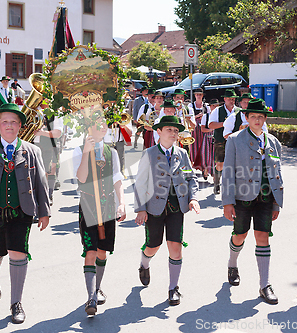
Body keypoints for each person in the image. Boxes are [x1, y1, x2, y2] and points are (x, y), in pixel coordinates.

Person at [0, 103, 50, 324]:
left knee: (18, 253)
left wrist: (44, 211)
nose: (9, 126)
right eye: (5, 122)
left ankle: (16, 302)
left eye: (14, 122)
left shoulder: (32, 151)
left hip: (22, 211)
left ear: (20, 126)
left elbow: (41, 184)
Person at [222, 98, 283, 304]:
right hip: (242, 197)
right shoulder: (235, 139)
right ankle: (232, 263)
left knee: (263, 237)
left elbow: (277, 174)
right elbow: (228, 172)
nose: (257, 120)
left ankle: (264, 285)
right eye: (253, 117)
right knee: (240, 235)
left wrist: (276, 203)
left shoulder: (273, 142)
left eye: (261, 117)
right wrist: (227, 202)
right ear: (246, 118)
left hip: (266, 197)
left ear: (265, 119)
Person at [134, 115, 200, 306]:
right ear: (159, 132)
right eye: (169, 130)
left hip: (176, 207)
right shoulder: (149, 154)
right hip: (154, 207)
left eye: (176, 130)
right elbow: (140, 183)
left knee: (176, 247)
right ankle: (144, 264)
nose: (174, 133)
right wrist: (140, 209)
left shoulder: (182, 154)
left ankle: (173, 288)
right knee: (153, 245)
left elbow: (191, 178)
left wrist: (193, 197)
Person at [72, 116, 126, 316]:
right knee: (90, 250)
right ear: (88, 128)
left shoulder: (112, 152)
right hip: (88, 205)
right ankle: (91, 297)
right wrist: (86, 152)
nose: (101, 127)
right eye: (97, 124)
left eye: (103, 124)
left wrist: (122, 203)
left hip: (108, 206)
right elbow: (81, 177)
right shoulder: (79, 150)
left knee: (102, 251)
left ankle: (98, 287)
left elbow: (117, 178)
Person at [209, 89, 240, 194]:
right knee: (220, 164)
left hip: (235, 141)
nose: (232, 101)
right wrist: (225, 124)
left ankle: (232, 186)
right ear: (224, 99)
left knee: (234, 164)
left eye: (233, 99)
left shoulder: (239, 111)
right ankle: (217, 183)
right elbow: (210, 125)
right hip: (220, 140)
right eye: (229, 99)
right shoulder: (217, 110)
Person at [34, 110, 64, 205]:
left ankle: (48, 195)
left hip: (50, 144)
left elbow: (58, 133)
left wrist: (42, 133)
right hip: (33, 144)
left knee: (50, 170)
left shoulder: (55, 112)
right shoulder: (32, 109)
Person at [188, 88, 208, 178]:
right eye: (197, 94)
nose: (198, 96)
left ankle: (204, 168)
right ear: (195, 95)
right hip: (195, 128)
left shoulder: (206, 106)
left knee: (204, 147)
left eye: (200, 94)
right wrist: (197, 116)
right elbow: (190, 117)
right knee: (194, 147)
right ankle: (193, 166)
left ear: (202, 95)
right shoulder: (191, 106)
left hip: (203, 128)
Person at [199, 99, 219, 180]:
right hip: (208, 137)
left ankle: (215, 175)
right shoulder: (205, 116)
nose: (215, 107)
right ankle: (206, 169)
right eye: (213, 105)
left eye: (217, 106)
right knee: (206, 155)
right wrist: (211, 130)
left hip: (217, 136)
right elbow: (203, 129)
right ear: (210, 107)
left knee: (216, 156)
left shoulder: (219, 116)